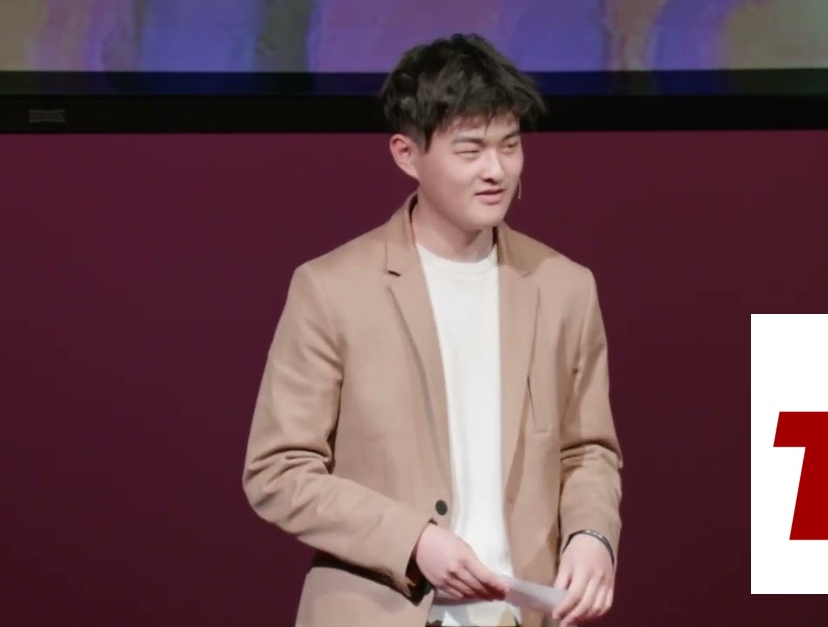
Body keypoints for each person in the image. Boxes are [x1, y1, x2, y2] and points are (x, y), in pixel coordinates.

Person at [242, 33, 623, 627]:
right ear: (406, 154)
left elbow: (588, 450)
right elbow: (279, 469)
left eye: (510, 145)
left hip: (524, 612)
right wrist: (414, 539)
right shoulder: (331, 287)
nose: (496, 170)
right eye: (470, 150)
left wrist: (592, 536)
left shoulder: (564, 286)